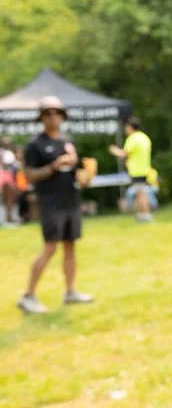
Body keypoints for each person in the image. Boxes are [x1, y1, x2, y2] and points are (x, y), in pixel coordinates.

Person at [17, 96, 94, 314]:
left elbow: (74, 173)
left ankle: (70, 291)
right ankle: (28, 295)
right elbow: (30, 175)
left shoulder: (68, 141)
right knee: (50, 247)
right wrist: (53, 166)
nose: (53, 117)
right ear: (41, 118)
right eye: (48, 113)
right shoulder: (35, 144)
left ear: (62, 115)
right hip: (50, 202)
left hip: (70, 199)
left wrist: (85, 177)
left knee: (70, 246)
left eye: (56, 113)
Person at [108, 116, 153, 222]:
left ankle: (145, 215)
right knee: (141, 192)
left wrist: (114, 150)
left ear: (130, 127)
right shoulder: (144, 137)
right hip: (145, 168)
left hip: (137, 170)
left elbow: (123, 154)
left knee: (140, 193)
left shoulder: (133, 138)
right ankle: (142, 214)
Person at [1, 136, 19, 226]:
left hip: (10, 176)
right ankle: (8, 218)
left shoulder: (10, 152)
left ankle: (9, 218)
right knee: (8, 198)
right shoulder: (2, 153)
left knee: (10, 198)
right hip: (5, 176)